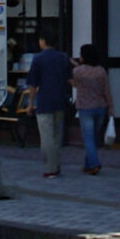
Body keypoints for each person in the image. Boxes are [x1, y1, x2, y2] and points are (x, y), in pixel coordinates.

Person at [27, 32, 73, 178]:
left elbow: (33, 84)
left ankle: (51, 167)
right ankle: (56, 164)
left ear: (42, 41)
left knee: (47, 136)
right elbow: (70, 79)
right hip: (60, 98)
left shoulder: (38, 59)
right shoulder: (63, 57)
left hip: (44, 100)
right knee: (57, 134)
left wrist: (30, 103)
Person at [71, 43, 112, 175]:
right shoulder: (101, 71)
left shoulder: (78, 72)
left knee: (88, 138)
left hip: (85, 107)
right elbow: (107, 91)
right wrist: (111, 107)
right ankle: (87, 165)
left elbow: (74, 83)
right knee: (92, 137)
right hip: (100, 107)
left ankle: (94, 164)